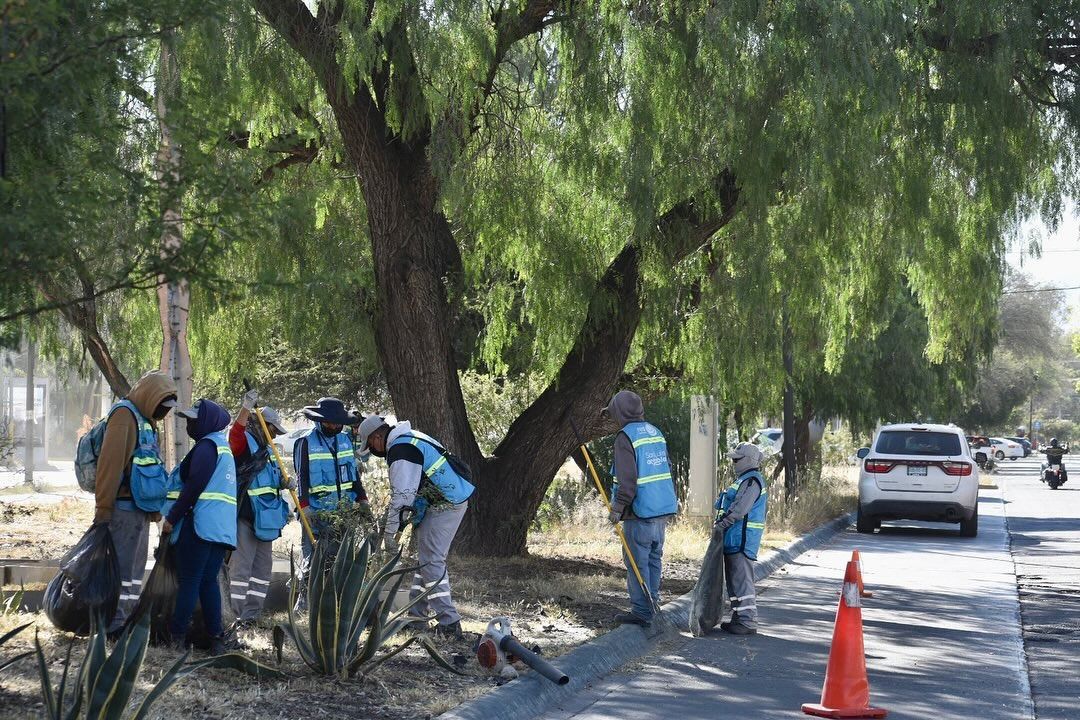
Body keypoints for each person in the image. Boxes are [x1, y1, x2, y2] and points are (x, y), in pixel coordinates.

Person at [356, 414, 474, 639]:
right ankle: (417, 617)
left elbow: (402, 497)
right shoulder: (410, 437)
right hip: (443, 500)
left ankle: (449, 622)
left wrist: (390, 534)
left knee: (431, 561)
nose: (372, 450)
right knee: (426, 559)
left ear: (377, 436)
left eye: (370, 444)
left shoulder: (401, 450)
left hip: (445, 504)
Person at [93, 370, 178, 635]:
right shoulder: (124, 417)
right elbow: (110, 466)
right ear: (149, 396)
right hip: (122, 511)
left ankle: (124, 619)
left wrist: (154, 512)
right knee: (122, 570)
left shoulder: (146, 420)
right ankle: (113, 623)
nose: (163, 412)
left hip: (140, 512)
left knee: (134, 570)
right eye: (161, 405)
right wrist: (103, 509)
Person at [160, 399, 237, 653]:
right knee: (208, 582)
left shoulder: (206, 447)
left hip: (199, 525)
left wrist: (171, 518)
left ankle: (177, 638)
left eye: (194, 419)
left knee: (190, 581)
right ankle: (216, 638)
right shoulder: (223, 447)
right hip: (220, 530)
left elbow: (193, 488)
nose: (190, 424)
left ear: (206, 421)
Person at [604, 390, 678, 628]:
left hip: (640, 512)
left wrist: (617, 507)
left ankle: (642, 611)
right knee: (654, 559)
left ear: (619, 411)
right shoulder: (654, 432)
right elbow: (665, 466)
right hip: (661, 510)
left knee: (636, 562)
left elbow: (628, 479)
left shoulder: (625, 437)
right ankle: (653, 604)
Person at [293, 397, 369, 607]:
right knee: (312, 559)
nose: (335, 426)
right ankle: (304, 603)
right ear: (321, 421)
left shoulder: (345, 440)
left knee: (340, 559)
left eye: (338, 423)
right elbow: (301, 478)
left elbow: (353, 476)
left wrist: (362, 500)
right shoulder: (306, 442)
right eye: (331, 423)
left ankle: (335, 602)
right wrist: (304, 507)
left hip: (343, 512)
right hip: (316, 513)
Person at [226, 388, 291, 624]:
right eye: (272, 429)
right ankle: (234, 617)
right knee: (241, 570)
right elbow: (235, 435)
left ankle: (252, 615)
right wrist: (245, 408)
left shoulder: (268, 449)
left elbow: (269, 479)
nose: (274, 436)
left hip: (267, 519)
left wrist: (283, 482)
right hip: (246, 517)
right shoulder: (246, 444)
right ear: (262, 425)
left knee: (262, 571)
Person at [717, 442, 768, 636]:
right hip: (734, 538)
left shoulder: (751, 481)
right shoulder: (745, 479)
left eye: (736, 459)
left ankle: (747, 621)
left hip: (742, 539)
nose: (733, 462)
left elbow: (740, 509)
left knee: (742, 581)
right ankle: (738, 619)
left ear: (747, 460)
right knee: (735, 581)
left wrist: (723, 524)